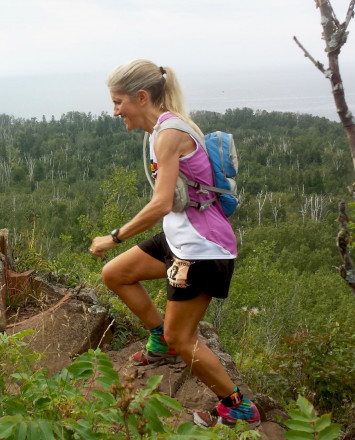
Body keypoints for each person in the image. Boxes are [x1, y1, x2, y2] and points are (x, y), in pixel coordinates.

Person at [88, 59, 260, 429]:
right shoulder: (160, 132)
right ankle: (160, 341)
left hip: (201, 249)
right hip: (179, 238)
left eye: (118, 102)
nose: (115, 110)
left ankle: (237, 407)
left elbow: (162, 202)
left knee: (183, 336)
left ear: (142, 96)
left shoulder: (168, 134)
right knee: (115, 274)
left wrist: (113, 237)